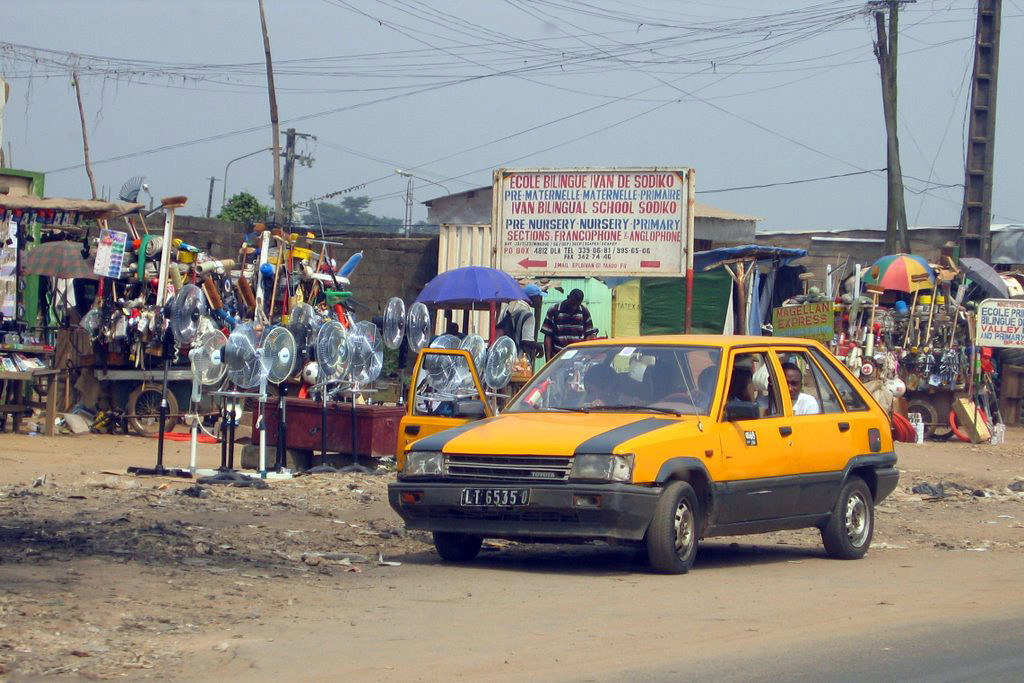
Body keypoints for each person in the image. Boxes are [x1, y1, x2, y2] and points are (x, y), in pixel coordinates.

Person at [541, 288, 597, 360]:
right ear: (568, 298)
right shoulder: (554, 310)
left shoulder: (584, 311)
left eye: (577, 305)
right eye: (572, 304)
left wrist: (584, 356)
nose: (574, 307)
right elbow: (548, 337)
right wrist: (548, 361)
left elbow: (588, 335)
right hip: (558, 358)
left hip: (578, 359)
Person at [497, 284, 545, 361]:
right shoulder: (528, 315)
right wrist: (539, 346)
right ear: (534, 298)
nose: (541, 301)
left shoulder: (508, 307)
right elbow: (526, 341)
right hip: (518, 358)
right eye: (540, 297)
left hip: (504, 355)